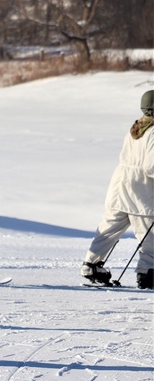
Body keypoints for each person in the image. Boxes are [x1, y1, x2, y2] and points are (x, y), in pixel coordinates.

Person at [81, 89, 154, 289]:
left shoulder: (137, 127)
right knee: (150, 234)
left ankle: (91, 265)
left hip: (120, 184)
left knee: (109, 228)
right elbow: (151, 166)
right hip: (142, 190)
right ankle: (147, 273)